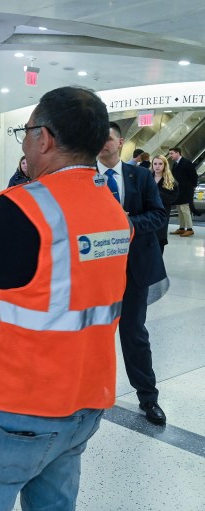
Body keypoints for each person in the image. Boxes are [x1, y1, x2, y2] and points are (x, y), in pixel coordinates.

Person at [0, 86, 132, 511]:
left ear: (43, 138)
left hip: (12, 409)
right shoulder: (113, 211)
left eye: (25, 133)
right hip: (83, 404)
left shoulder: (20, 208)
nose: (23, 142)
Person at [99, 123, 168, 425]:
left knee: (134, 333)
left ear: (121, 142)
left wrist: (129, 224)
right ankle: (91, 394)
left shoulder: (139, 176)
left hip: (134, 269)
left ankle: (148, 398)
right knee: (94, 335)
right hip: (96, 272)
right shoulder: (86, 178)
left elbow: (158, 214)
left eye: (108, 139)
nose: (103, 144)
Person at [151, 154, 178, 254]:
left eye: (160, 164)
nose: (157, 166)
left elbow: (172, 199)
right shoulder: (147, 178)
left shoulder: (171, 182)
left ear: (165, 165)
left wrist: (156, 192)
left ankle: (158, 267)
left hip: (162, 214)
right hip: (146, 214)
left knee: (159, 241)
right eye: (155, 164)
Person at [169, 147, 197, 236]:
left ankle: (190, 229)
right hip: (178, 191)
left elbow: (194, 176)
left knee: (185, 209)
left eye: (171, 153)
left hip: (186, 190)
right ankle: (181, 228)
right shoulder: (175, 164)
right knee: (180, 210)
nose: (170, 156)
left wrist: (192, 187)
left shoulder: (187, 163)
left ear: (178, 153)